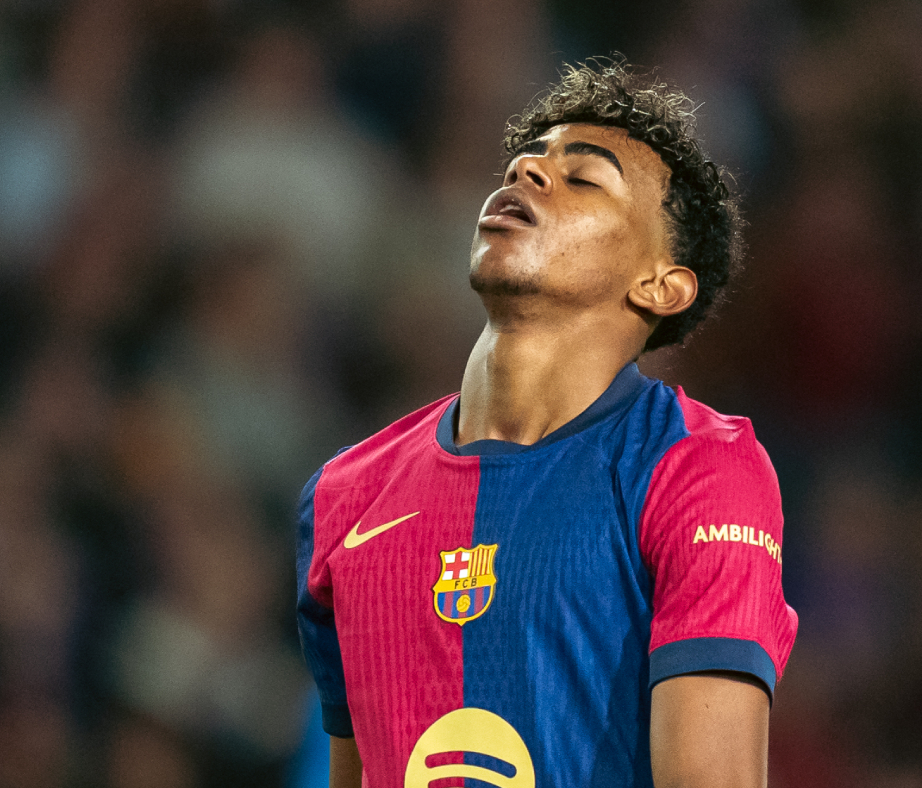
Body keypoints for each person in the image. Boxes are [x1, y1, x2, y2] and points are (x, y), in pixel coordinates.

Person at [296, 60, 797, 788]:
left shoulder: (697, 469)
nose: (528, 173)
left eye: (583, 178)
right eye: (524, 164)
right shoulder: (343, 496)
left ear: (661, 284)